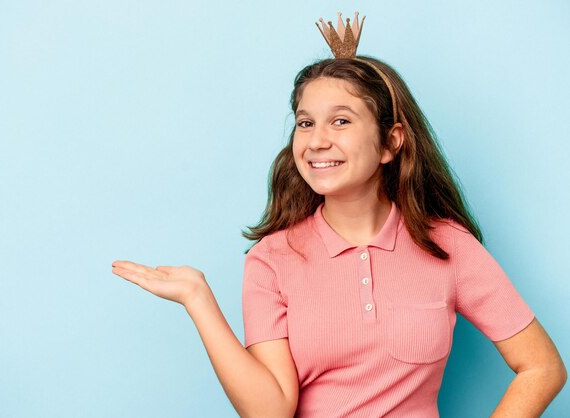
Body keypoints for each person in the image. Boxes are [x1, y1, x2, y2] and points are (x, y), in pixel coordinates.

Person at [111, 12, 566, 418]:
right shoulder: (272, 259)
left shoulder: (448, 246)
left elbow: (543, 367)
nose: (316, 140)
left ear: (392, 142)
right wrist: (198, 300)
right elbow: (270, 411)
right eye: (306, 122)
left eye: (341, 121)